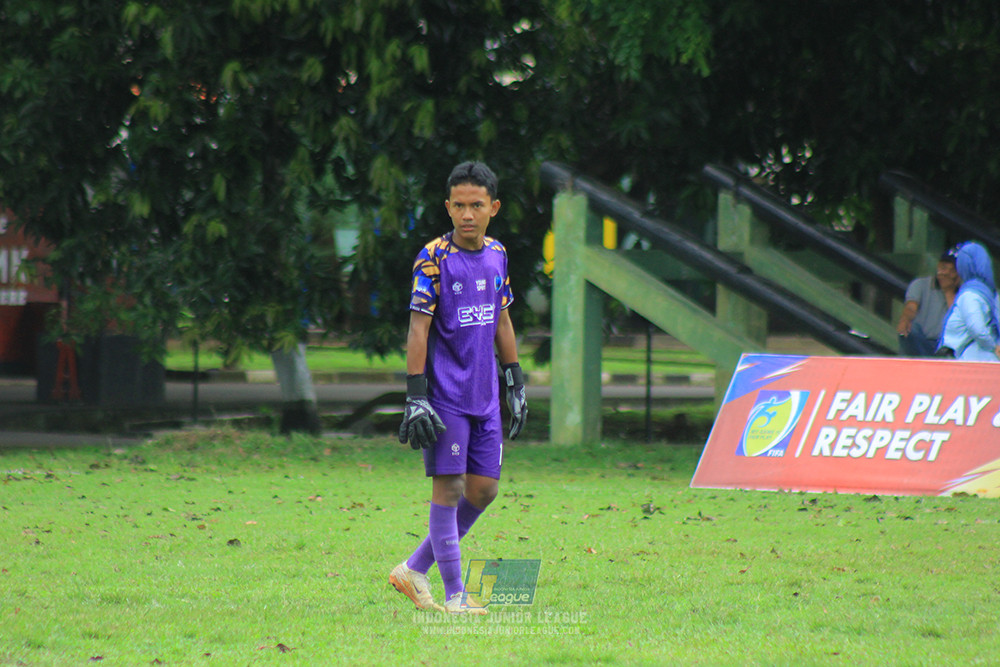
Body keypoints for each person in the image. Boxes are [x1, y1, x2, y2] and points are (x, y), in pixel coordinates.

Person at [389, 161, 527, 614]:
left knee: (483, 489)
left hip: (485, 397)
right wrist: (415, 394)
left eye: (477, 206)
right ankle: (454, 596)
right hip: (445, 395)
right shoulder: (432, 259)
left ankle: (412, 569)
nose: (468, 215)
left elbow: (502, 319)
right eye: (460, 206)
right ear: (448, 208)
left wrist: (514, 379)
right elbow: (417, 330)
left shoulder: (498, 255)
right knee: (448, 490)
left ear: (494, 208)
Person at [937, 241, 1000, 361]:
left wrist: (993, 347)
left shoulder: (970, 295)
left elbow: (977, 328)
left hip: (969, 363)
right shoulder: (991, 294)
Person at [897, 250, 958, 356]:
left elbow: (956, 319)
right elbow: (911, 307)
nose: (946, 273)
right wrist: (905, 319)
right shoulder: (921, 284)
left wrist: (948, 291)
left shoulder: (963, 292)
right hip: (922, 340)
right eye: (943, 268)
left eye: (951, 270)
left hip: (945, 345)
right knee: (911, 330)